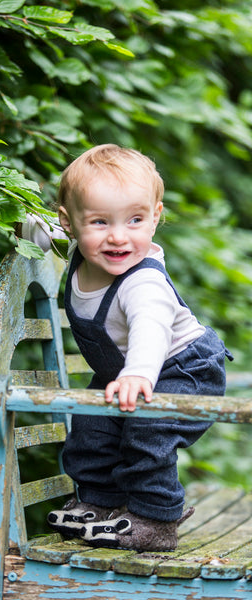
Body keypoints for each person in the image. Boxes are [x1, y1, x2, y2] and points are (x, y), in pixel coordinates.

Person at [20, 144, 232, 552]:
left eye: (135, 220)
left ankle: (156, 518)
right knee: (91, 426)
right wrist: (26, 229)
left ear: (155, 217)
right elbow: (42, 230)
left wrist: (137, 374)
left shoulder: (143, 283)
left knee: (147, 431)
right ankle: (99, 503)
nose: (118, 237)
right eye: (100, 222)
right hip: (125, 370)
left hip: (181, 368)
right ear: (71, 225)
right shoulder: (80, 249)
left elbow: (150, 331)